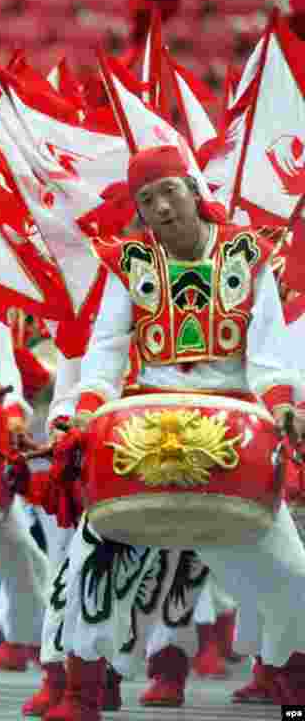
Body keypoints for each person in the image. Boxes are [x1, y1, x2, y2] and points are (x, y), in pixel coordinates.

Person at [33, 145, 305, 721]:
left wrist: (281, 406)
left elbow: (269, 354)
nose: (160, 207)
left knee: (291, 571)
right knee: (95, 554)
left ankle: (295, 683)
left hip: (233, 433)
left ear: (194, 189)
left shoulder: (247, 254)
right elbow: (105, 353)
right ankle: (82, 690)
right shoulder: (129, 265)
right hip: (146, 427)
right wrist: (85, 411)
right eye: (147, 199)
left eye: (169, 192)